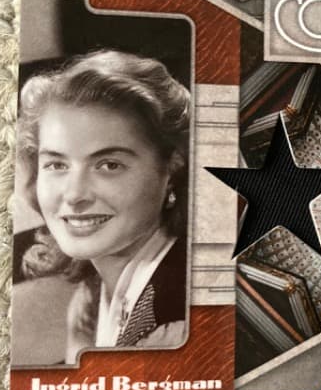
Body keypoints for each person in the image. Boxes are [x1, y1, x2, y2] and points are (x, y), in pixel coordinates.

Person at [14, 50, 190, 364]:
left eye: (109, 165)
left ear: (171, 169)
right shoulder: (92, 297)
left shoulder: (178, 323)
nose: (74, 195)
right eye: (56, 165)